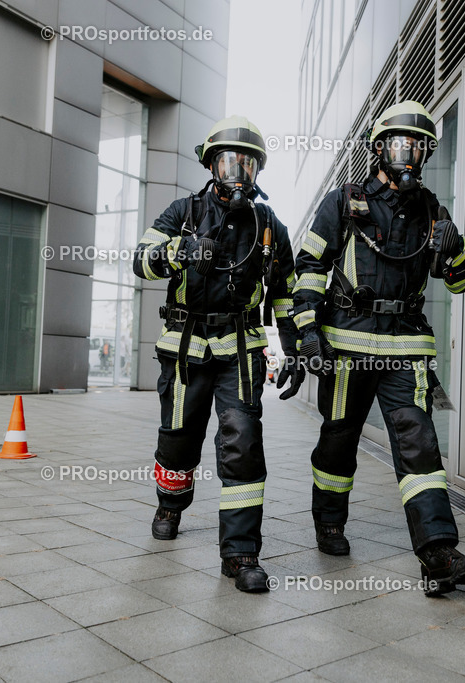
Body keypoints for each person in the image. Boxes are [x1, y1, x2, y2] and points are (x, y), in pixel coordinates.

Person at [285, 100, 465, 596]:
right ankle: (329, 521)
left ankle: (438, 553)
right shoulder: (343, 201)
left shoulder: (434, 211)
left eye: (418, 146)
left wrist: (457, 245)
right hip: (346, 345)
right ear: (379, 148)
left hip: (406, 348)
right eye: (400, 144)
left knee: (419, 445)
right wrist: (308, 330)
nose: (409, 155)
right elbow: (308, 265)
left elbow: (463, 282)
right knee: (339, 440)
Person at [133, 116, 302, 593]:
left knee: (243, 443)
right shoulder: (183, 212)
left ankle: (241, 552)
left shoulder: (269, 226)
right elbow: (140, 258)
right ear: (211, 165)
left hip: (242, 354)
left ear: (257, 173)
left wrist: (293, 348)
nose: (238, 174)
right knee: (179, 441)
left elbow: (286, 292)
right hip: (185, 349)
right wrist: (179, 252)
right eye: (229, 162)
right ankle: (170, 504)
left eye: (247, 165)